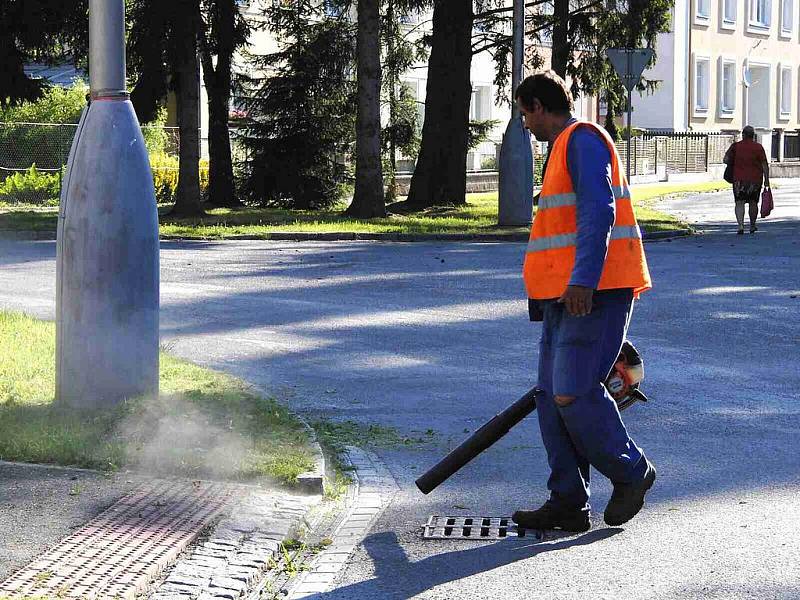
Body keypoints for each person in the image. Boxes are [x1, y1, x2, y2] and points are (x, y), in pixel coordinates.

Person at [512, 71, 656, 532]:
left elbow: (600, 211)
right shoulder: (562, 150)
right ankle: (568, 502)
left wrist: (582, 281)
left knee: (572, 391)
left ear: (537, 105)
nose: (525, 125)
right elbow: (561, 231)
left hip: (592, 292)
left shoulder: (582, 138)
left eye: (524, 114)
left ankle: (632, 472)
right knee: (551, 398)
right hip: (565, 297)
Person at [724, 125, 770, 234]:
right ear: (753, 136)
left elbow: (725, 159)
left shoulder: (735, 146)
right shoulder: (758, 147)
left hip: (738, 180)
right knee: (753, 202)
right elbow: (764, 164)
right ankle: (752, 225)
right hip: (755, 180)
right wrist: (767, 179)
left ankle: (740, 226)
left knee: (739, 202)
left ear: (743, 135)